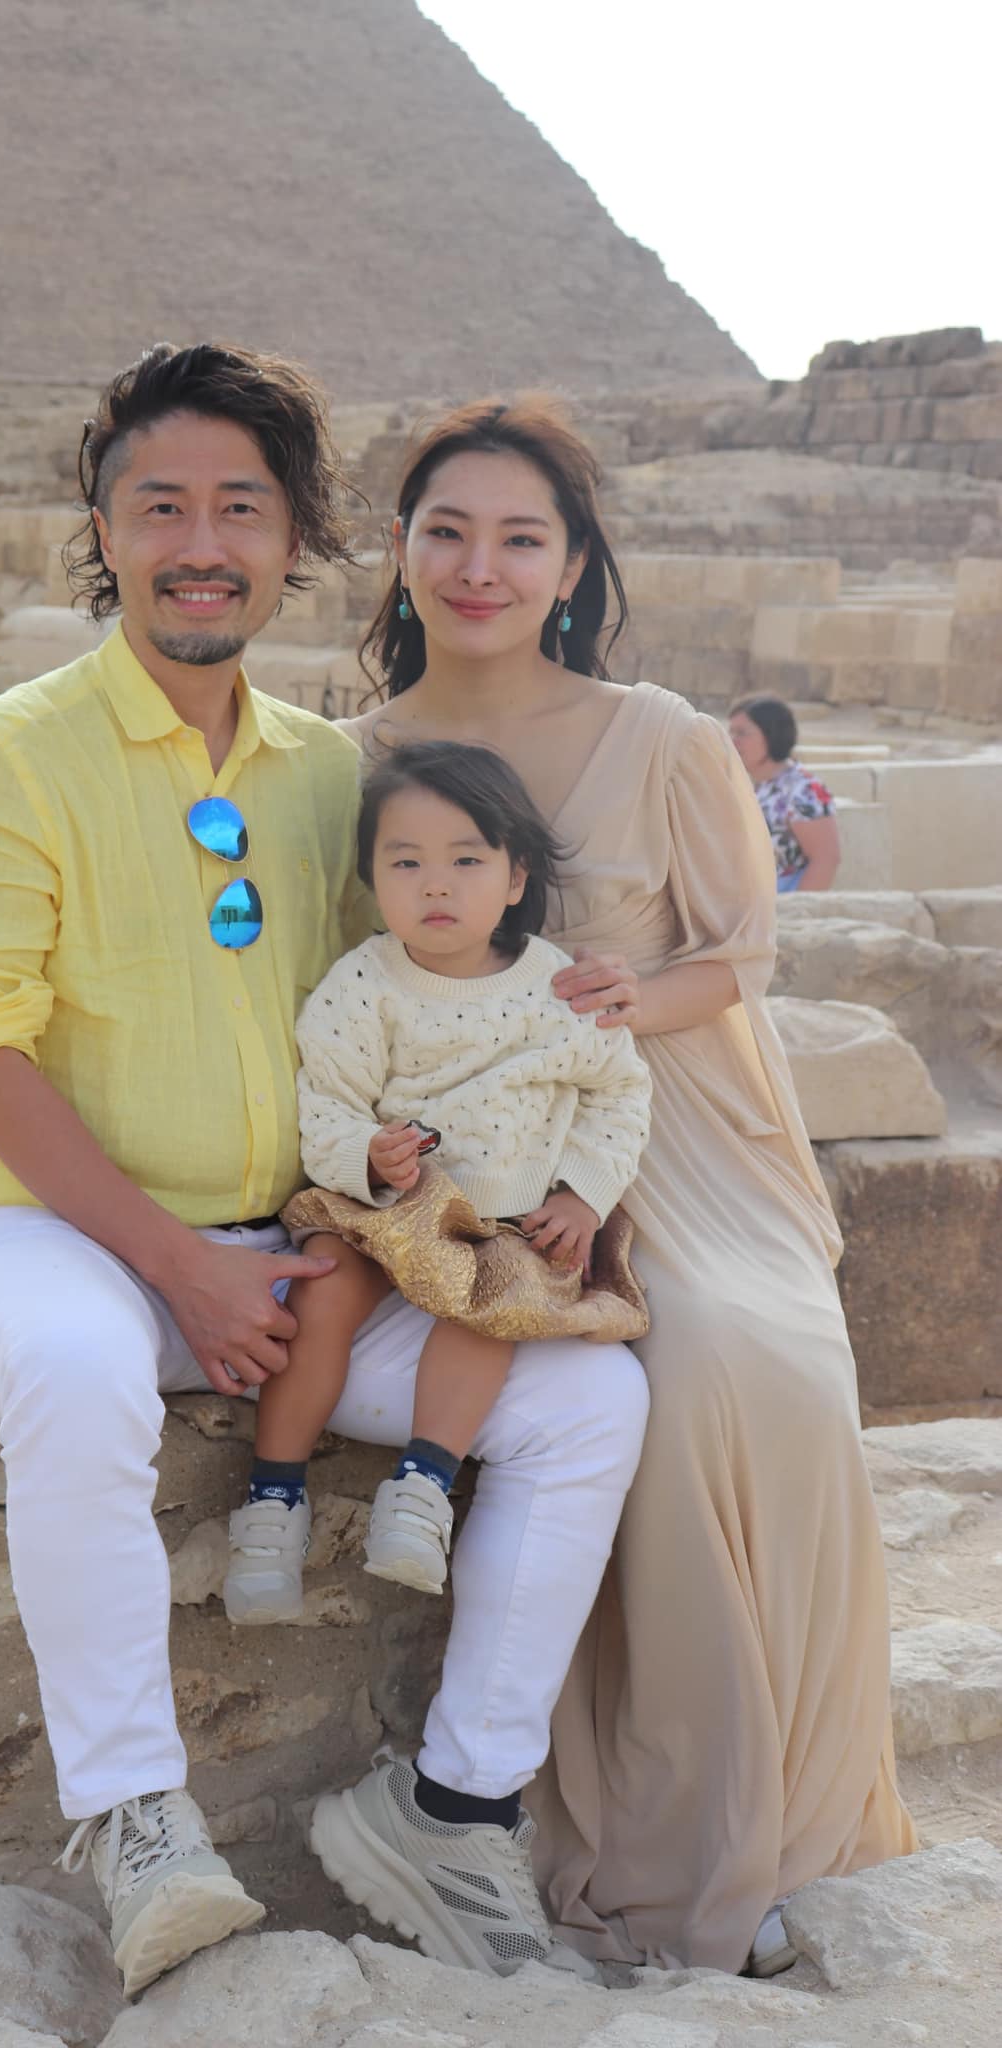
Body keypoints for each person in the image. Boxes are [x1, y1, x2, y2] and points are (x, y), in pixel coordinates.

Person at [0, 344, 650, 1998]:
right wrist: (181, 1264)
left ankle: (451, 1805)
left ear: (294, 537)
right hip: (54, 1242)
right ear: (104, 529)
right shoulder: (0, 763)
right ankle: (135, 1819)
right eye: (161, 506)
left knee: (588, 1399)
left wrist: (558, 1050)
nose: (200, 543)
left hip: (306, 1256)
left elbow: (421, 998)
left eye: (241, 507)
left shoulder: (327, 775)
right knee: (80, 1369)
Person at [336, 395, 917, 1978]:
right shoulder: (348, 760)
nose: (479, 565)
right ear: (401, 551)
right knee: (646, 1375)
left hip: (681, 1128)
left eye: (519, 537)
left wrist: (620, 1000)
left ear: (573, 565)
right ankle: (653, 1837)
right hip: (477, 1151)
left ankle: (770, 1822)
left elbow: (738, 955)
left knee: (749, 1364)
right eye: (446, 531)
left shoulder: (658, 735)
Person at [223, 740, 651, 1621]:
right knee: (324, 1287)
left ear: (516, 875)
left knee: (490, 1307)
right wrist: (365, 1154)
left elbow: (619, 1094)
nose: (436, 886)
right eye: (405, 862)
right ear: (372, 879)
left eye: (466, 861)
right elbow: (325, 1100)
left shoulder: (557, 990)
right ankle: (273, 1500)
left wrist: (582, 1196)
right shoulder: (363, 985)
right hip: (383, 1208)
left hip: (499, 1221)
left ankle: (422, 1488)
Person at [728, 696, 840, 892]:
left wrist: (799, 907)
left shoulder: (803, 790)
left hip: (783, 903)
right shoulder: (755, 784)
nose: (732, 741)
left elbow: (826, 859)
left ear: (771, 735)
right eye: (731, 732)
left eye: (742, 733)